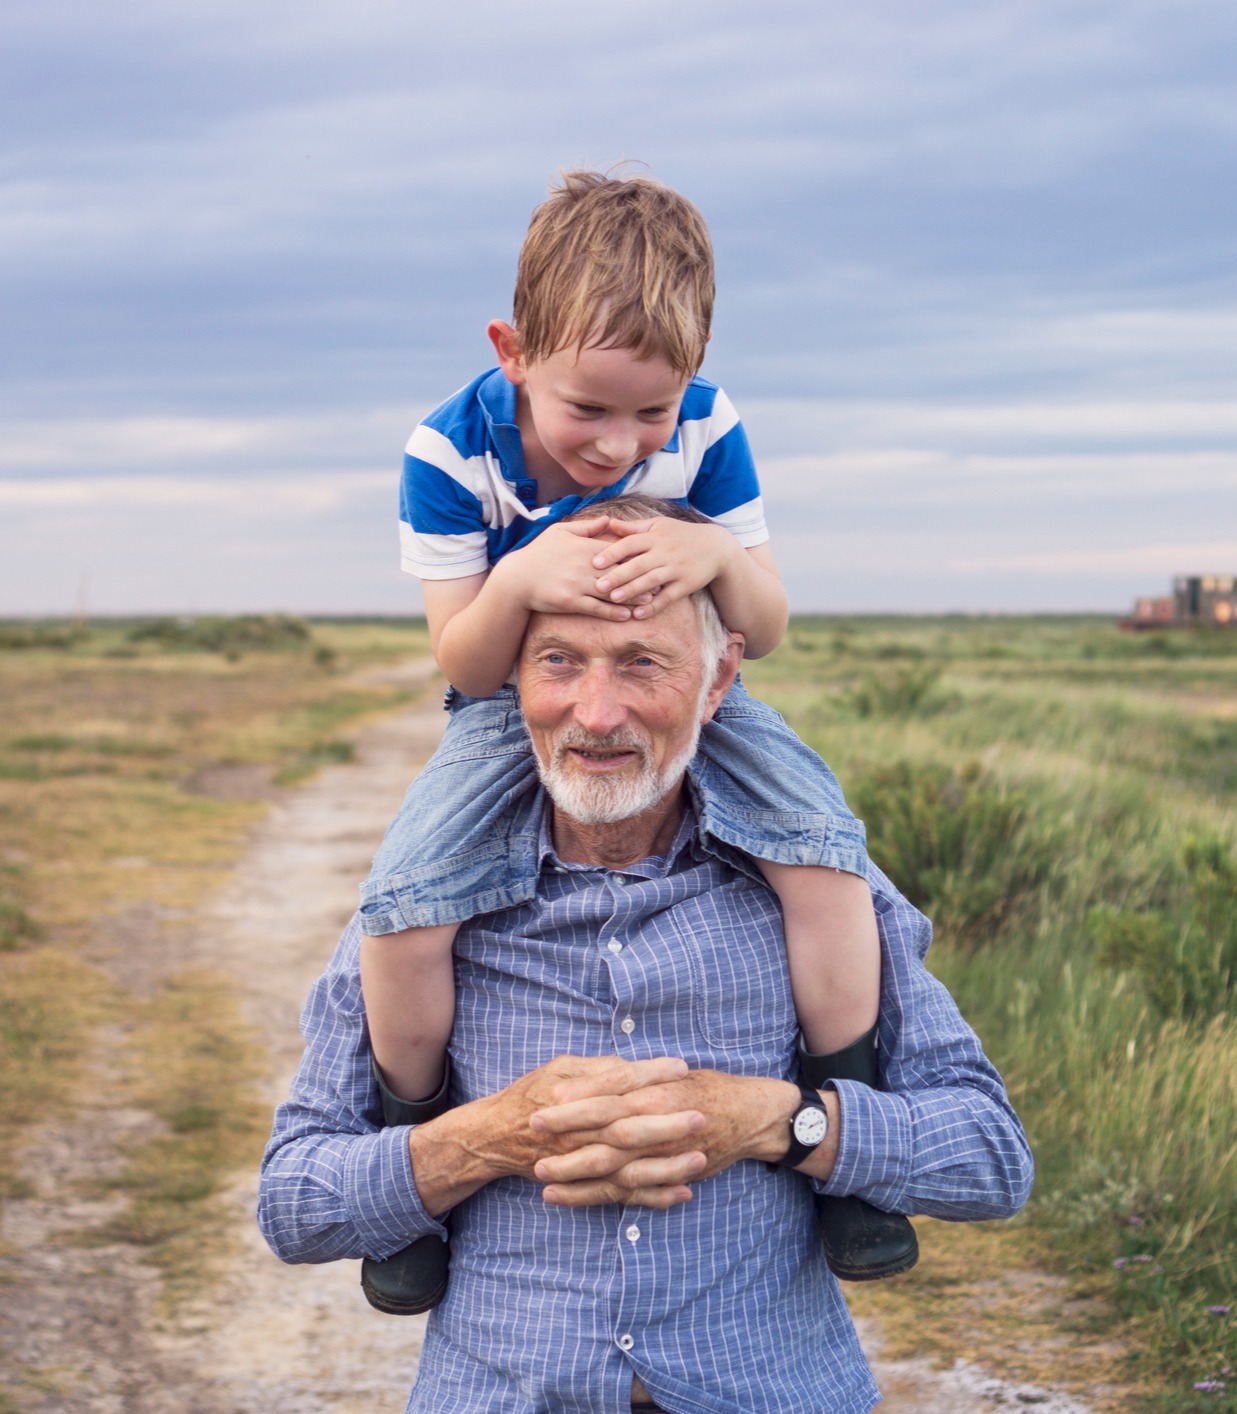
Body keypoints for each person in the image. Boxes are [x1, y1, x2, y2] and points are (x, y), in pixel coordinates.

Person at [258, 569, 1033, 1413]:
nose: (595, 713)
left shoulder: (826, 893)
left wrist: (782, 1121)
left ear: (718, 680)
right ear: (512, 677)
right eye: (557, 661)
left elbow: (991, 1157)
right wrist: (484, 1138)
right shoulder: (418, 910)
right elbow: (294, 1202)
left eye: (641, 665)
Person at [355, 169, 911, 1311]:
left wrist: (715, 560)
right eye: (588, 410)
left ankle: (847, 1132)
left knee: (823, 851)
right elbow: (460, 660)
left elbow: (767, 625)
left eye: (650, 411)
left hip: (698, 685)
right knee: (407, 900)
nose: (621, 444)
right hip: (510, 705)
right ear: (513, 351)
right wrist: (520, 579)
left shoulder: (710, 427)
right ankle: (414, 1162)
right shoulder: (448, 452)